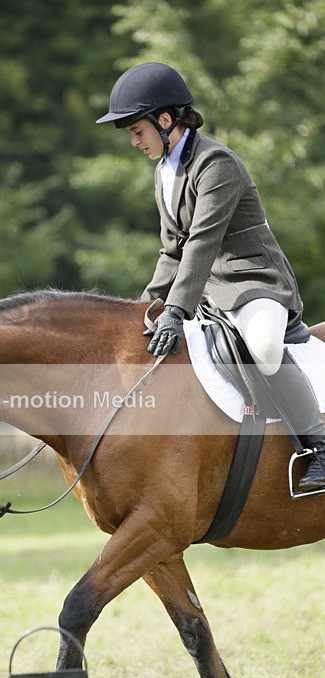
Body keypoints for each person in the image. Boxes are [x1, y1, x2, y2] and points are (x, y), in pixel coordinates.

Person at [96, 62, 325, 490]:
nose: (134, 142)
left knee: (263, 346)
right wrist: (146, 308)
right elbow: (172, 250)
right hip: (209, 293)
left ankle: (319, 445)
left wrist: (177, 309)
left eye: (137, 131)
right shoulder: (165, 171)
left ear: (165, 121)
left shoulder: (215, 163)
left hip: (254, 282)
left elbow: (201, 242)